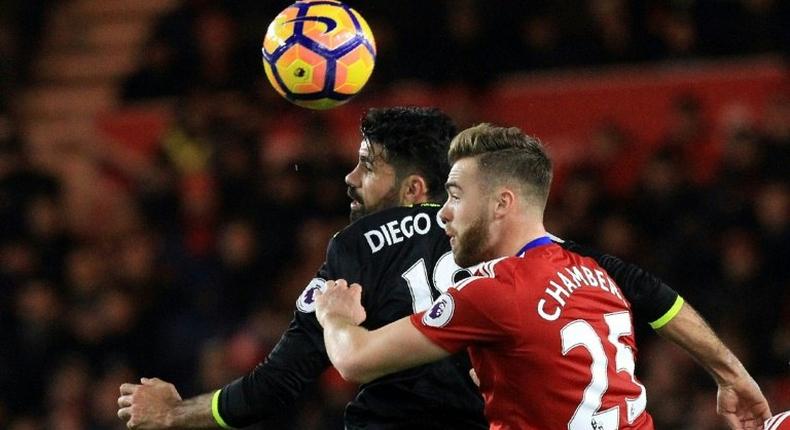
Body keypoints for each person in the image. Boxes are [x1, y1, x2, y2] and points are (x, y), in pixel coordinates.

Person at [117, 109, 768, 429]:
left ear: (412, 187)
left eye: (366, 164)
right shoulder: (543, 258)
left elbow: (286, 381)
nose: (350, 179)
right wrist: (729, 370)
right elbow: (651, 292)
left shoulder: (363, 246)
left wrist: (177, 415)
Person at [315, 123, 772, 430]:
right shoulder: (597, 275)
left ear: (502, 203)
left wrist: (335, 316)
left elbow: (356, 360)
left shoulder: (491, 291)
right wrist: (730, 374)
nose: (443, 214)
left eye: (454, 196)